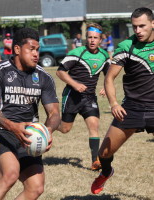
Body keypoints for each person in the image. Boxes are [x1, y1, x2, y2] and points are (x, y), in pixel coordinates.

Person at [0, 28, 60, 200]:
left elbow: (54, 113)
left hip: (27, 135)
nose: (36, 54)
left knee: (36, 187)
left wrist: (47, 132)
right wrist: (12, 126)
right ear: (17, 49)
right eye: (31, 49)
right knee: (9, 174)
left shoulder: (44, 77)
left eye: (37, 49)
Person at [91, 7, 154, 194]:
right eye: (134, 27)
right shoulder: (126, 47)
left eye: (142, 26)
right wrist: (114, 104)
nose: (138, 31)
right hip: (132, 108)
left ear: (153, 24)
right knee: (103, 154)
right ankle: (106, 172)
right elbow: (109, 78)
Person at [56, 23, 110, 171]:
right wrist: (74, 84)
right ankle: (50, 125)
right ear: (86, 38)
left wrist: (106, 86)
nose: (92, 40)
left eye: (96, 38)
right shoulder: (77, 53)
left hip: (89, 98)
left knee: (94, 125)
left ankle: (95, 161)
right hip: (72, 96)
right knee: (65, 129)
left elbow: (109, 75)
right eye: (90, 37)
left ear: (100, 40)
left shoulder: (104, 55)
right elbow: (60, 72)